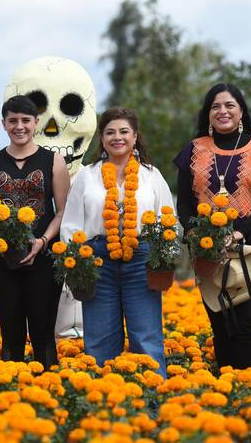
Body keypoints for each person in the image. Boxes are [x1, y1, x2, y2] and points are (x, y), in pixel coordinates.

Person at [174, 83, 251, 370]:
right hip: (208, 251)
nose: (223, 111)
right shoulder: (194, 150)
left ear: (241, 111)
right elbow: (184, 204)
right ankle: (226, 395)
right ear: (208, 114)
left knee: (248, 324)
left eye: (229, 105)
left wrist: (240, 232)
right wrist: (195, 235)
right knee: (220, 324)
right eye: (215, 106)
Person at [60, 107, 172, 376]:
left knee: (146, 339)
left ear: (135, 137)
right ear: (102, 138)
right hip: (97, 260)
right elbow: (71, 223)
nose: (117, 137)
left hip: (142, 260)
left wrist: (163, 260)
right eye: (110, 132)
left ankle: (153, 406)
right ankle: (103, 408)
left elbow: (167, 217)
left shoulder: (151, 175)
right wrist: (76, 264)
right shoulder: (87, 175)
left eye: (124, 131)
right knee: (99, 342)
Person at [0, 95, 70, 368]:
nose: (19, 126)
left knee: (43, 337)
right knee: (11, 337)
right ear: (3, 124)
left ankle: (50, 396)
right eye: (13, 120)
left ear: (36, 123)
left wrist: (42, 241)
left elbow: (62, 211)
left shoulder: (54, 161)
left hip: (43, 260)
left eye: (25, 120)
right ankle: (11, 395)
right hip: (1, 261)